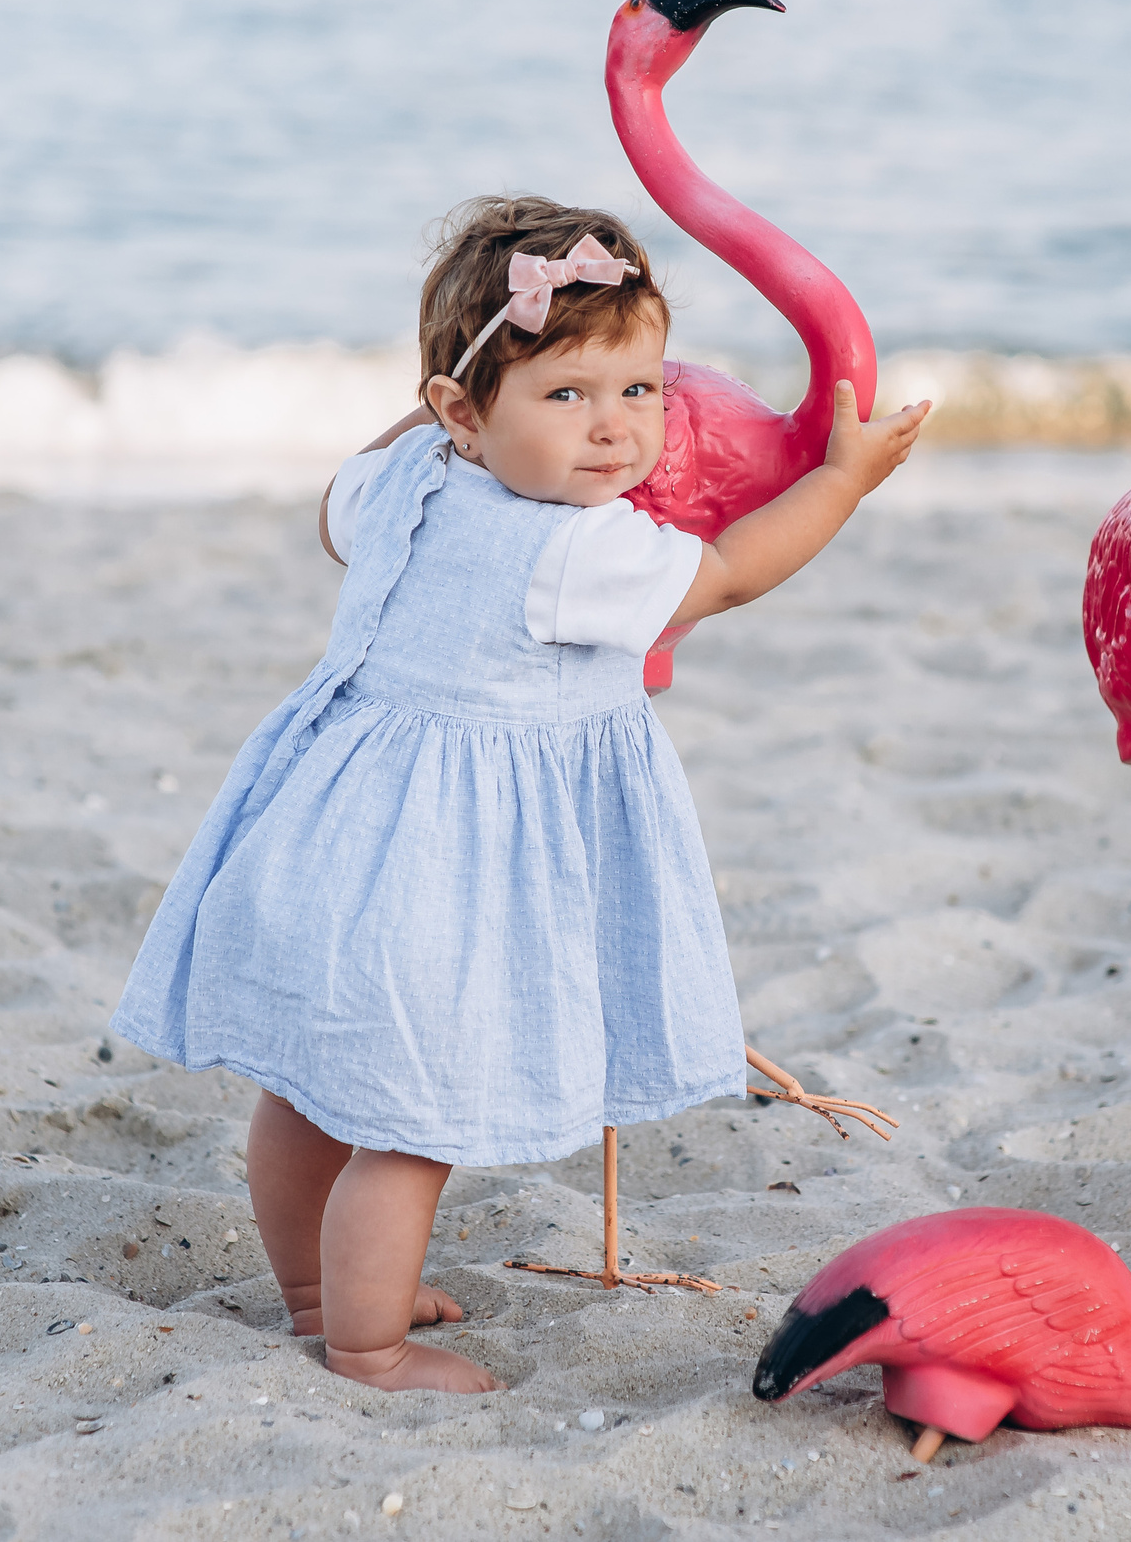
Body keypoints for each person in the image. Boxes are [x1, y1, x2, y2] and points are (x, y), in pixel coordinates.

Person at [110, 195, 928, 1391]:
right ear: (466, 408)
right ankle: (368, 1344)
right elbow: (732, 573)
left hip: (320, 837)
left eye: (639, 390)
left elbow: (337, 503)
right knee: (410, 1122)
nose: (614, 433)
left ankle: (312, 1292)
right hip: (438, 877)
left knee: (307, 1089)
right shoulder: (579, 549)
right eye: (565, 395)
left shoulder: (395, 482)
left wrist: (456, 403)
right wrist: (843, 484)